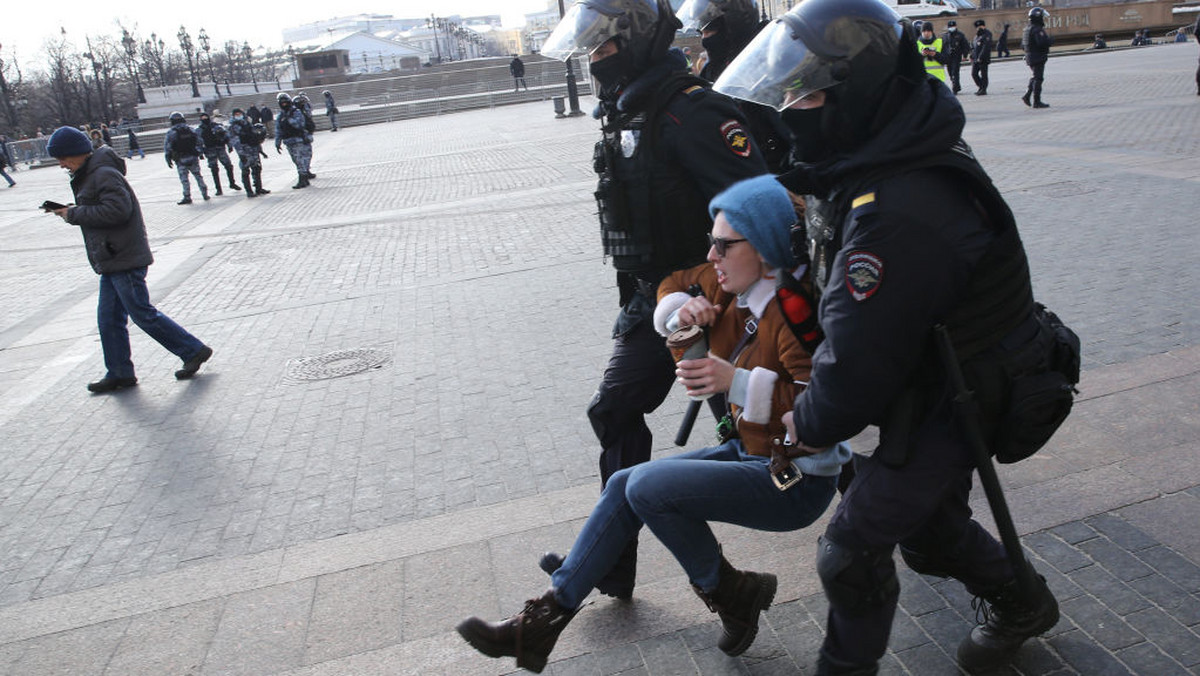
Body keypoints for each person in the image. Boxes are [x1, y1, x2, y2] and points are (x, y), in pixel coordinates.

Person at [713, 0, 1062, 672]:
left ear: (859, 93)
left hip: (970, 385)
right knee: (928, 533)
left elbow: (854, 370)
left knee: (851, 548)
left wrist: (800, 422)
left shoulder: (897, 207)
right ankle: (1022, 601)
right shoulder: (872, 156)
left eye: (807, 93)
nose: (791, 107)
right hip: (929, 368)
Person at [456, 175, 851, 674]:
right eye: (711, 241)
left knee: (647, 484)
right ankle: (541, 623)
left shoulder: (794, 312)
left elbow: (827, 405)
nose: (711, 255)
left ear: (767, 246)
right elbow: (669, 283)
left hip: (795, 477)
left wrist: (740, 382)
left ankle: (729, 590)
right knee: (626, 482)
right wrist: (679, 309)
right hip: (750, 455)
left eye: (724, 244)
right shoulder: (729, 284)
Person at [537, 0, 770, 601]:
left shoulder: (691, 113)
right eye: (587, 48)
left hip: (713, 301)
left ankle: (871, 518)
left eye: (602, 45)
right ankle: (612, 560)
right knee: (614, 409)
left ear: (635, 39)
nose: (594, 59)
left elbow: (761, 211)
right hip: (653, 303)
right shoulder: (627, 113)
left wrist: (735, 304)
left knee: (764, 432)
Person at [44, 126, 213, 393]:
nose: (62, 164)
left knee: (142, 313)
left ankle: (192, 349)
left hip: (124, 257)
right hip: (113, 259)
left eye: (63, 158)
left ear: (77, 152)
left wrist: (74, 214)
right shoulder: (91, 174)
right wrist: (73, 211)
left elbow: (117, 211)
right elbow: (102, 209)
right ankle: (120, 372)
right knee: (108, 320)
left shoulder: (103, 174)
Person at [679, 0, 794, 172]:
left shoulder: (766, 66)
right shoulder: (711, 70)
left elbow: (791, 133)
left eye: (709, 31)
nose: (704, 40)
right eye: (701, 32)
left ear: (730, 28)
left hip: (771, 170)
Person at [163, 111, 209, 204]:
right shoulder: (191, 129)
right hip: (193, 156)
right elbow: (199, 142)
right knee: (198, 176)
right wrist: (199, 153)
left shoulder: (171, 132)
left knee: (184, 179)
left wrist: (168, 158)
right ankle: (205, 193)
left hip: (180, 158)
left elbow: (168, 147)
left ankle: (187, 196)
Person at [228, 108, 271, 198]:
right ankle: (249, 191)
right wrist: (241, 154)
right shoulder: (232, 127)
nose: (238, 115)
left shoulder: (247, 123)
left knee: (257, 169)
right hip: (244, 151)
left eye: (239, 113)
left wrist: (260, 150)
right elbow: (235, 141)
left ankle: (259, 188)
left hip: (253, 150)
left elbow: (254, 136)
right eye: (236, 114)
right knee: (245, 171)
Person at [274, 93, 314, 189]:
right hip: (289, 141)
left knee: (300, 160)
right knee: (296, 160)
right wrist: (277, 142)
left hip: (298, 140)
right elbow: (278, 129)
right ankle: (304, 176)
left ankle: (303, 178)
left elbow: (300, 124)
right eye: (282, 103)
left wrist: (289, 119)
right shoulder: (280, 115)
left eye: (285, 102)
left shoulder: (296, 112)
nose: (284, 105)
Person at [197, 111, 241, 195]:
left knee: (228, 166)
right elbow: (198, 142)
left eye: (205, 117)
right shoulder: (199, 130)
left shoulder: (216, 126)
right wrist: (200, 153)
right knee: (214, 170)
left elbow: (225, 135)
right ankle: (218, 188)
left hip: (220, 149)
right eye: (203, 118)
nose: (205, 119)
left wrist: (229, 145)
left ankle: (232, 183)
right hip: (210, 151)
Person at [1022, 7, 1053, 108]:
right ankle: (1036, 101)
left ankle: (1027, 95)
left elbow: (1023, 45)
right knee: (1038, 79)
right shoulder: (1037, 29)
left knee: (1035, 77)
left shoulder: (1028, 28)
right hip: (1037, 56)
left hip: (1030, 56)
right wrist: (1050, 41)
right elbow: (1041, 43)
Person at [942, 20, 970, 94]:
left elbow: (965, 46)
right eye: (950, 27)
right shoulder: (945, 36)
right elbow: (943, 47)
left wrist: (965, 55)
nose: (952, 28)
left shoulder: (960, 35)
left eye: (953, 26)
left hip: (956, 56)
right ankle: (957, 86)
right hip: (948, 57)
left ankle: (955, 88)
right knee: (950, 72)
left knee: (955, 72)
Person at [970, 19, 993, 95]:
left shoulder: (987, 34)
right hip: (975, 59)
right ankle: (981, 86)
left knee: (984, 75)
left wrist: (980, 57)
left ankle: (983, 89)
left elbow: (986, 47)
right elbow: (973, 47)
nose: (979, 28)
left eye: (981, 26)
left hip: (983, 59)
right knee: (974, 74)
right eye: (978, 27)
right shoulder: (976, 36)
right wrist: (971, 56)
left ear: (984, 26)